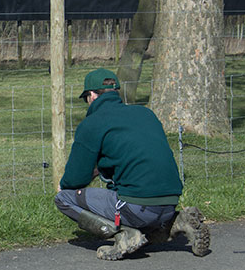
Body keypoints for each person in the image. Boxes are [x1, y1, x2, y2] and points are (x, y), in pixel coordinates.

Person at [54, 68, 210, 260]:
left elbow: (75, 178)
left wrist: (69, 184)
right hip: (169, 202)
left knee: (63, 198)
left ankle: (125, 235)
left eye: (86, 97)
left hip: (137, 207)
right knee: (135, 198)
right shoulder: (145, 114)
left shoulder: (93, 123)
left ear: (92, 95)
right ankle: (176, 222)